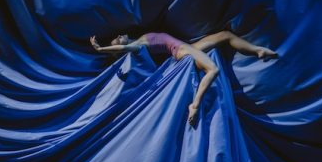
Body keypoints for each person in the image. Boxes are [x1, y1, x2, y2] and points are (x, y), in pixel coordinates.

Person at [90, 31, 278, 124]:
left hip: (188, 47)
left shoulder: (142, 37)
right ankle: (195, 105)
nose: (120, 36)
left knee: (225, 35)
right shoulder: (138, 45)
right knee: (213, 70)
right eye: (118, 38)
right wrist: (101, 49)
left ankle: (257, 51)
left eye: (119, 37)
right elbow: (123, 48)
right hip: (183, 51)